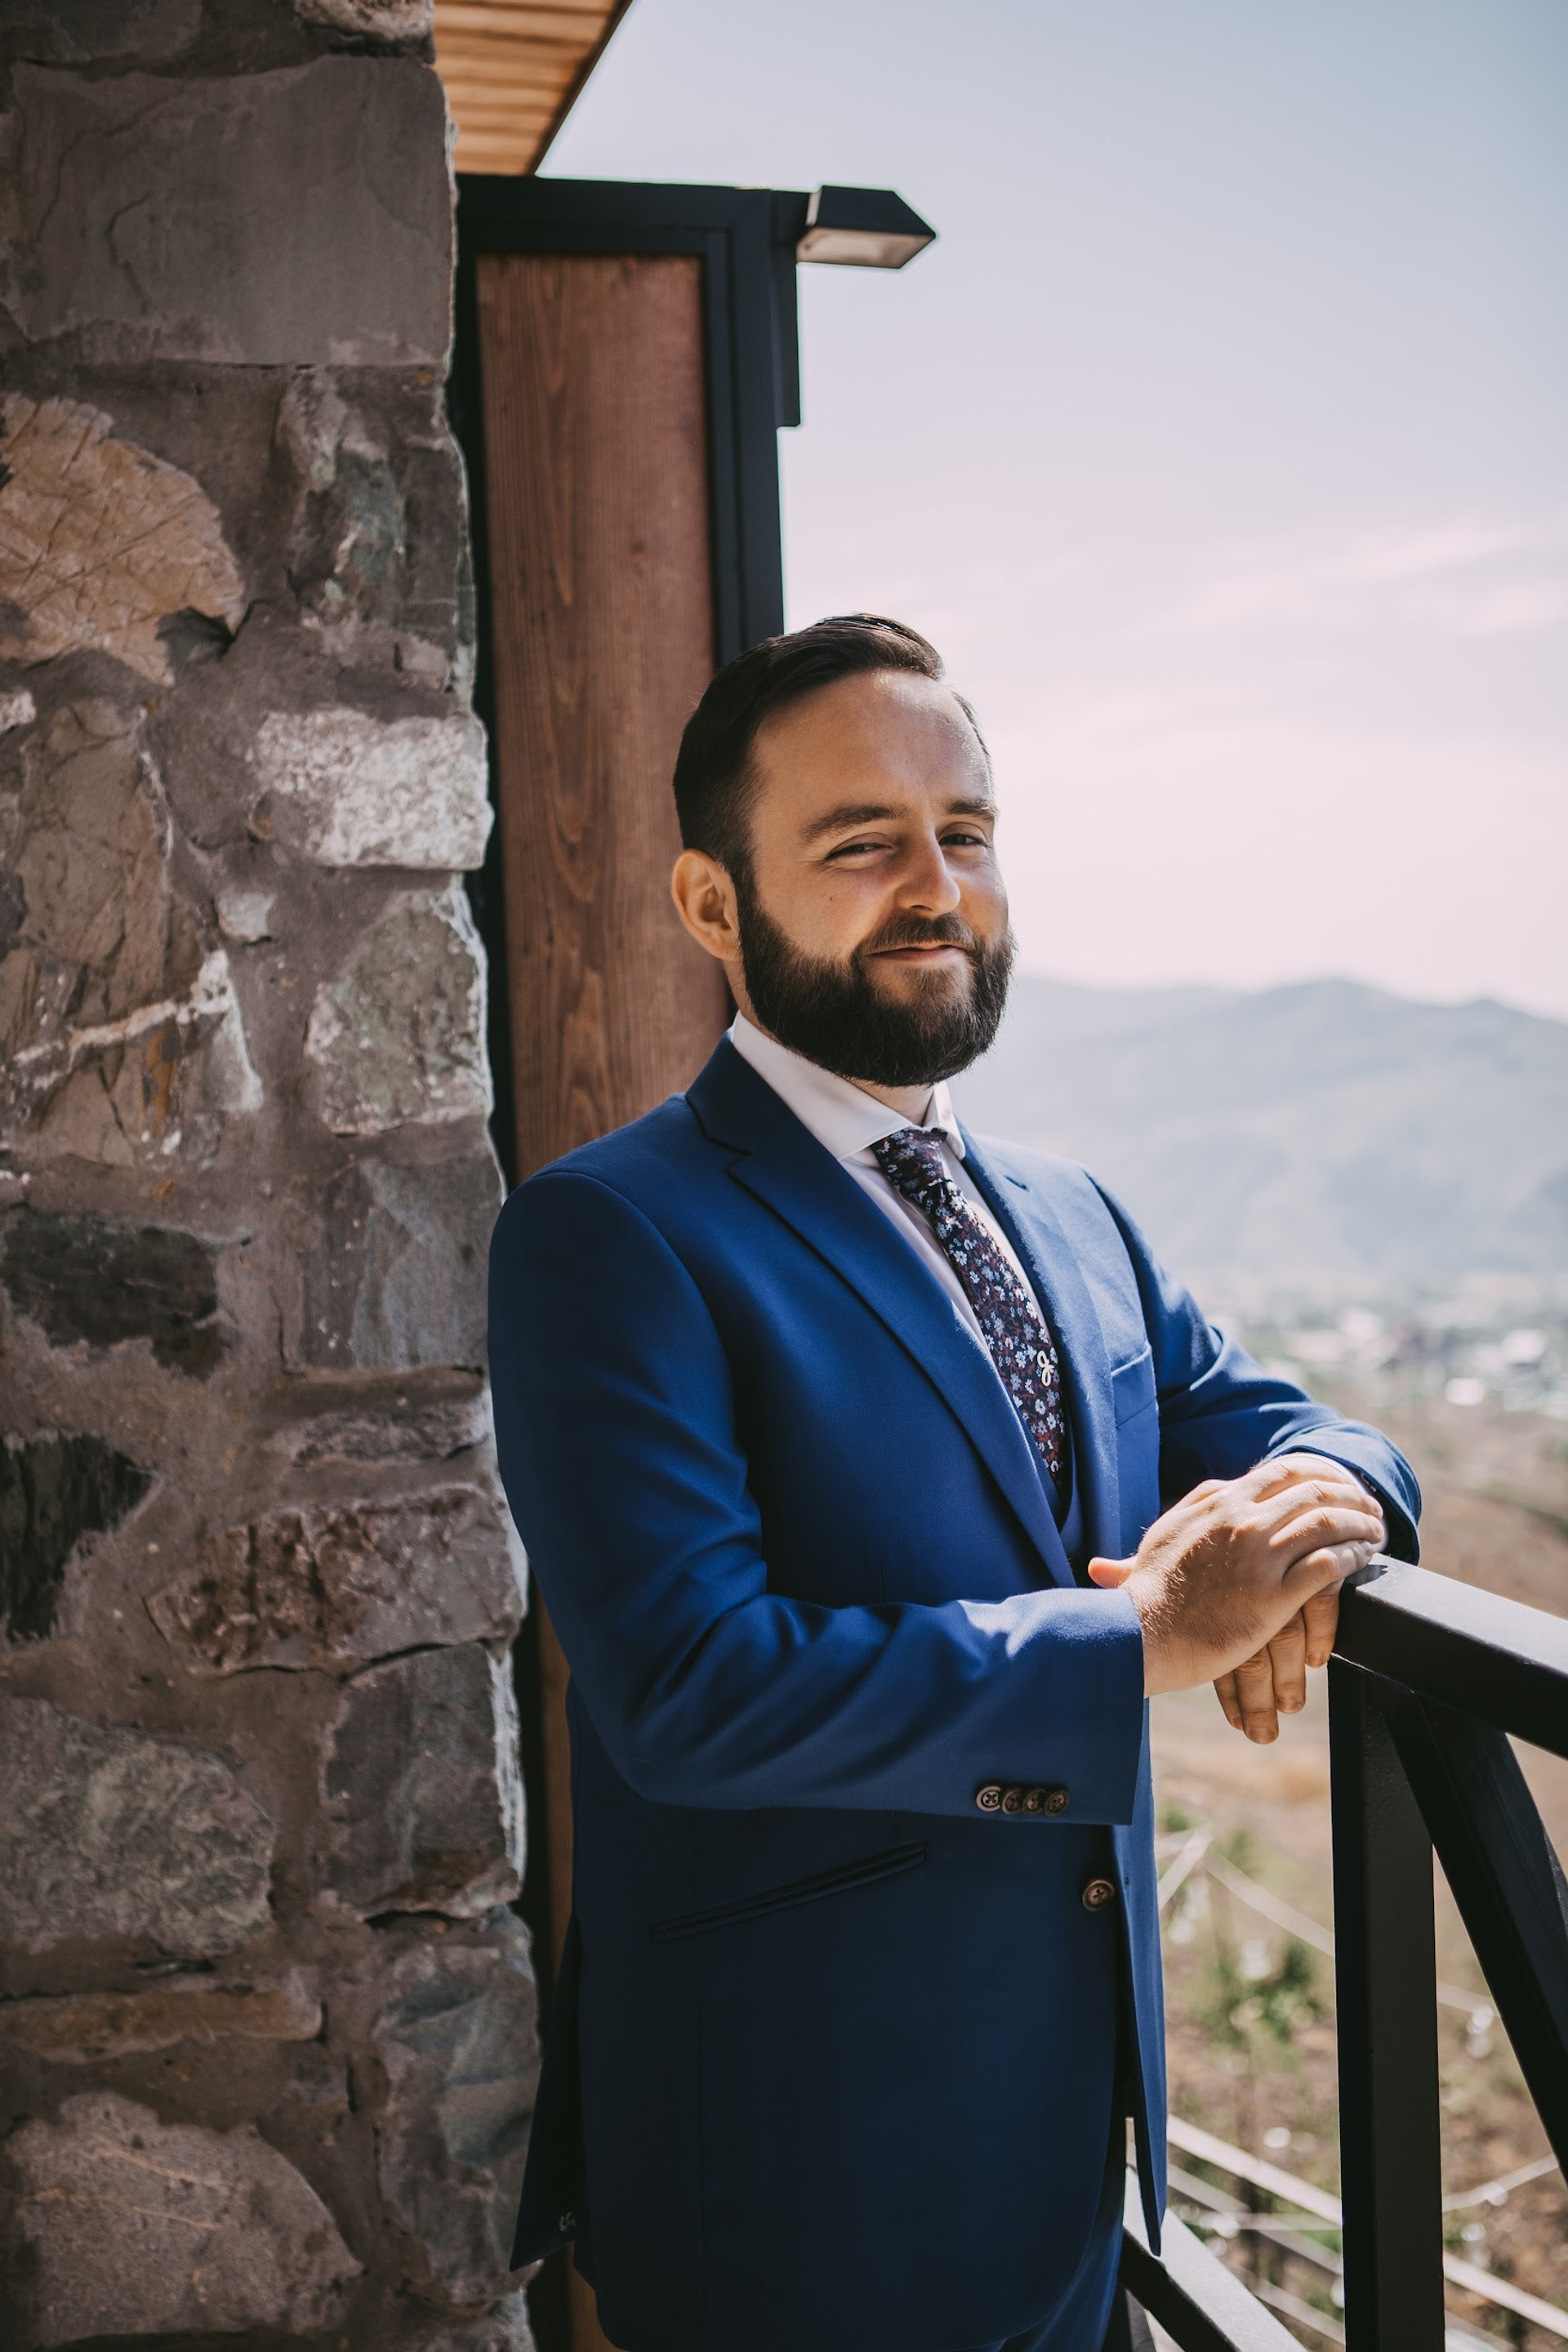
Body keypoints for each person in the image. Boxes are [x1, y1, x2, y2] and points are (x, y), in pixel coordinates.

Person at [488, 616, 1418, 2352]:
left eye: (966, 834)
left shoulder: (1077, 1212)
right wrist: (1143, 1638)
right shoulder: (609, 1233)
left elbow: (1300, 1427)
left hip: (1079, 2150)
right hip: (798, 2174)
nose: (937, 887)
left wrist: (1314, 1518)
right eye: (863, 844)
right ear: (712, 907)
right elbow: (690, 1692)